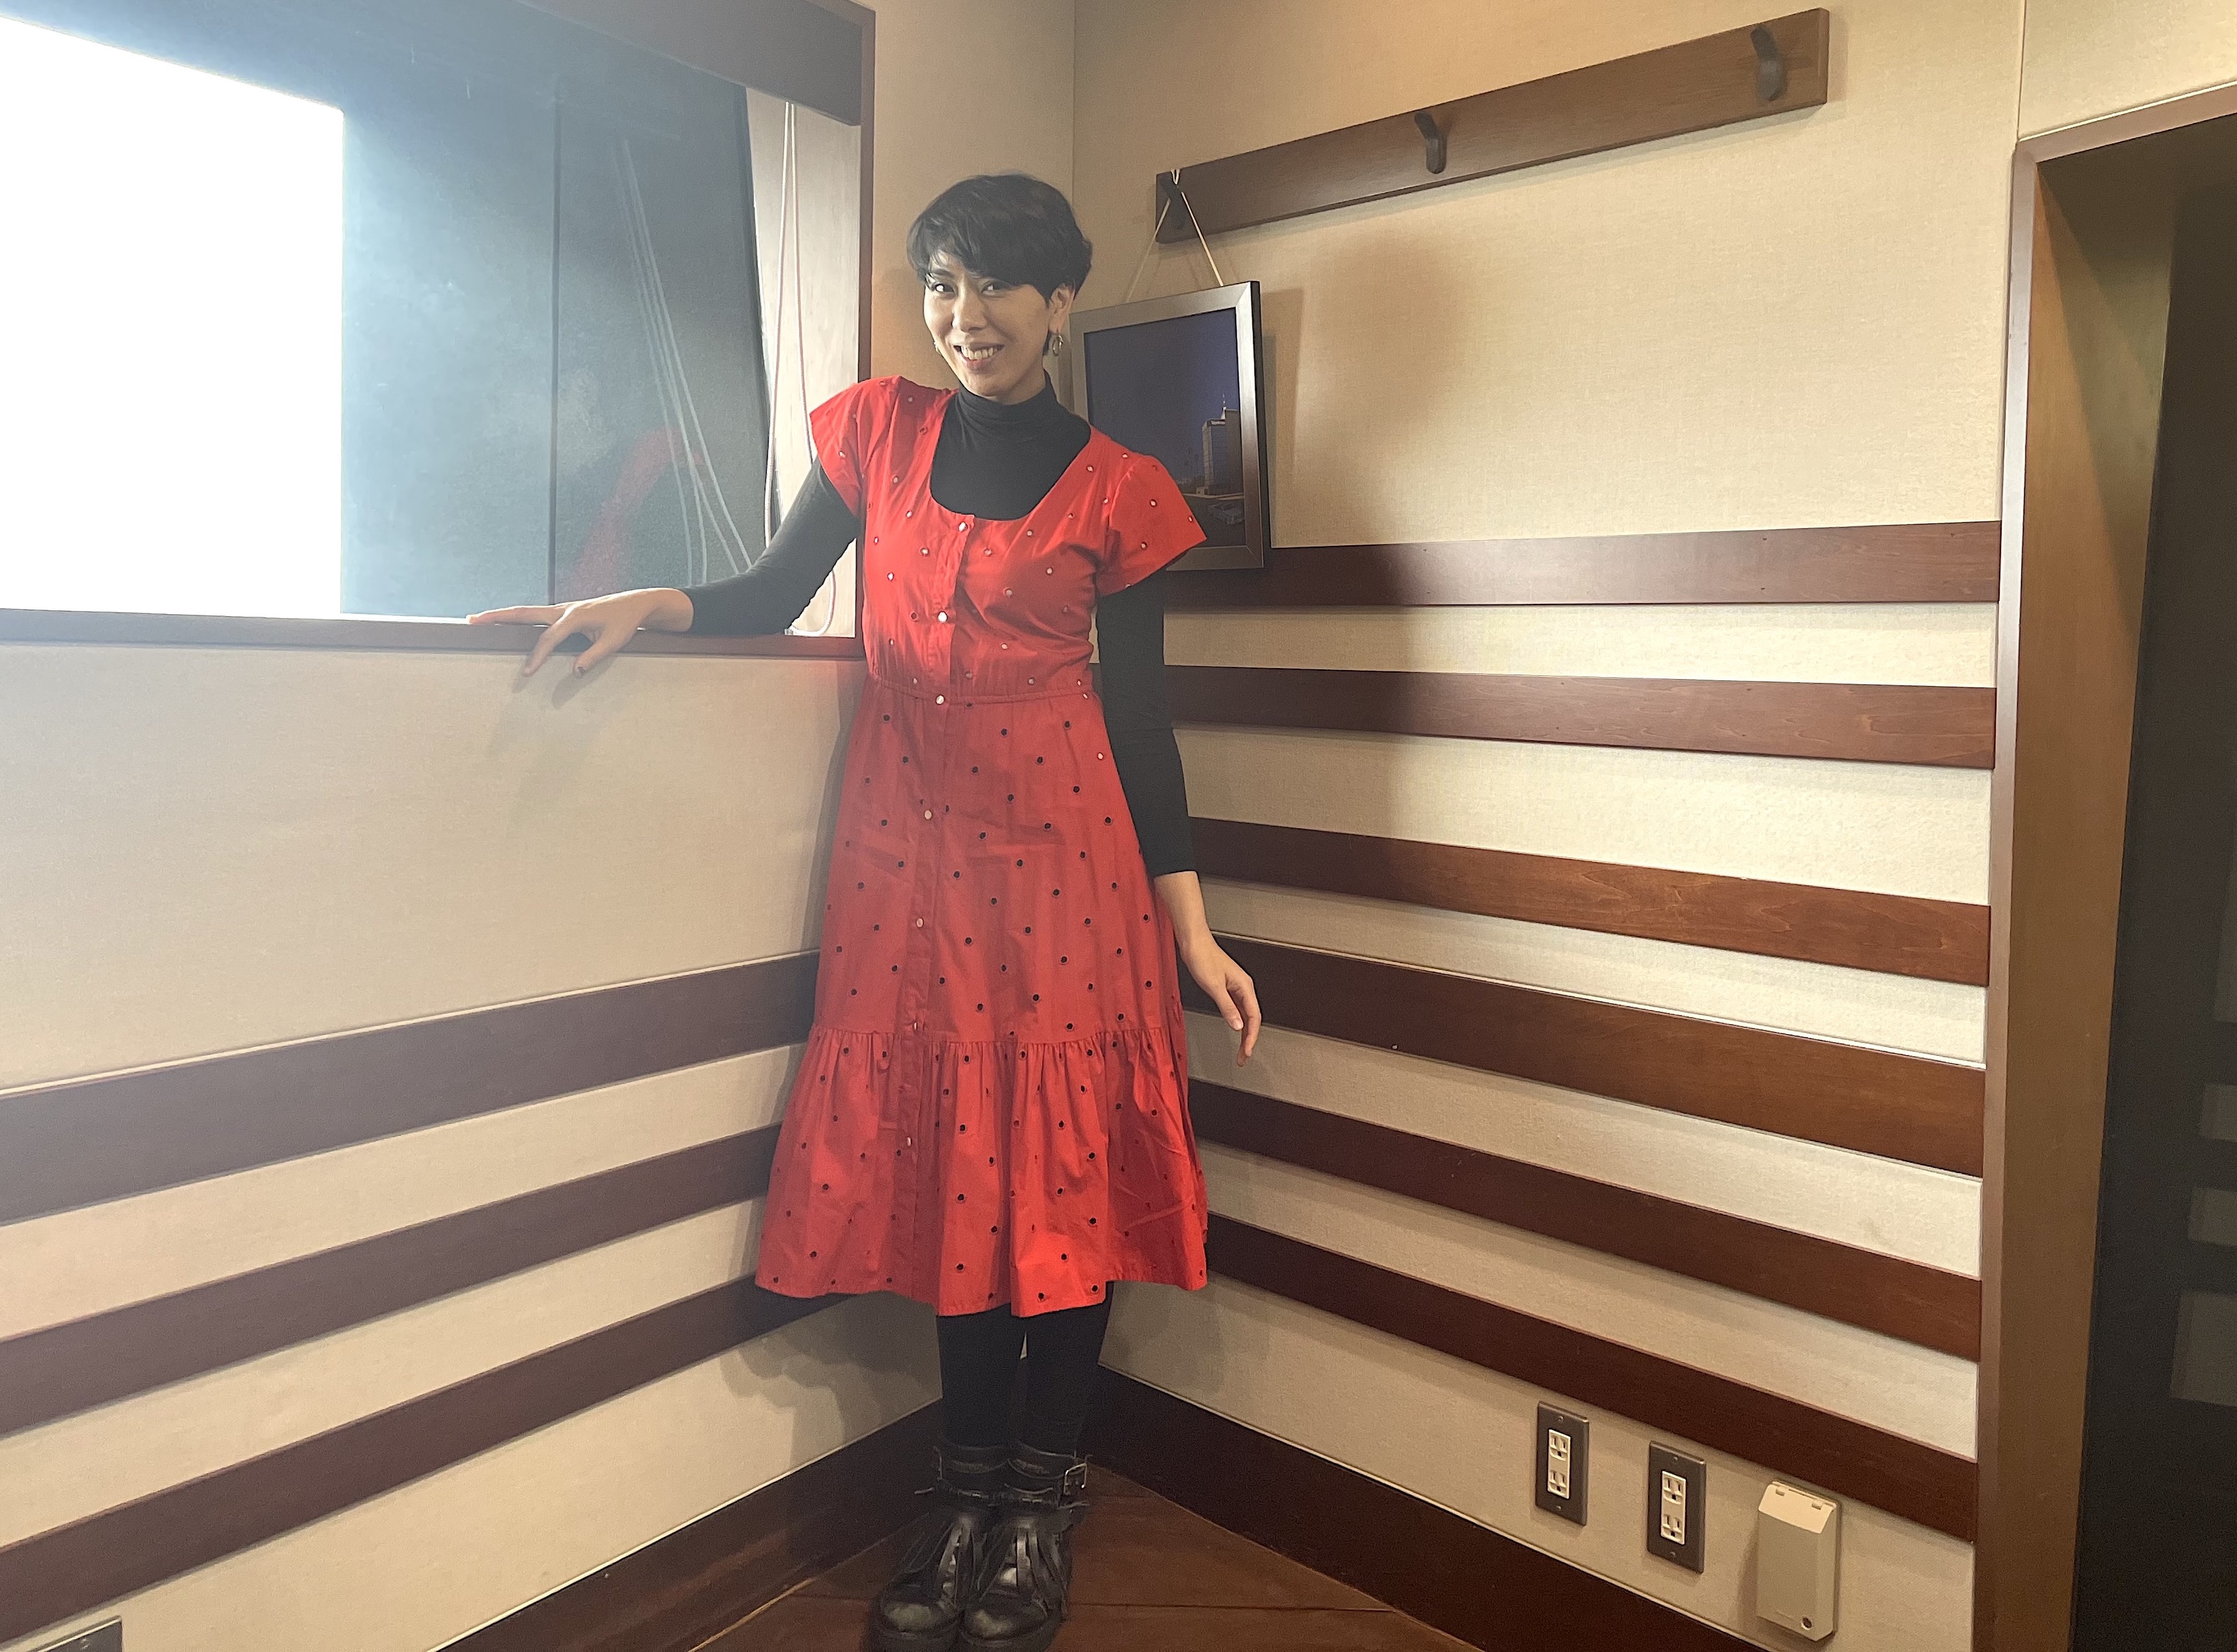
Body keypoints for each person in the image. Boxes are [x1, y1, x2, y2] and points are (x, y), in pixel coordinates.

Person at [471, 172, 1260, 1652]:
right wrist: (646, 605)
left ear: (1059, 303)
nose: (966, 316)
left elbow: (1142, 720)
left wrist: (1192, 925)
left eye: (996, 287)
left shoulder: (1121, 486)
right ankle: (960, 1493)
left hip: (1070, 865)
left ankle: (1039, 1502)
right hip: (910, 863)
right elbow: (773, 589)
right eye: (942, 285)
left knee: (1061, 1179)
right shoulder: (878, 433)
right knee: (965, 1166)